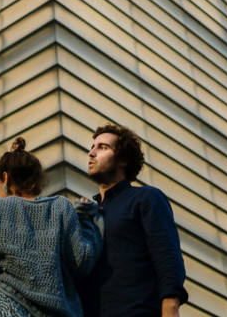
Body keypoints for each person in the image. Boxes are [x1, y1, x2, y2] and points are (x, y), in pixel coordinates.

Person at [0, 137, 103, 316]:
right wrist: (87, 220)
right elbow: (82, 262)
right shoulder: (61, 206)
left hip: (4, 306)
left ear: (5, 178)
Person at [80, 124, 188, 317]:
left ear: (124, 158)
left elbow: (167, 255)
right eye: (92, 147)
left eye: (102, 147)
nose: (91, 153)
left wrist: (170, 307)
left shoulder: (146, 197)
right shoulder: (89, 214)